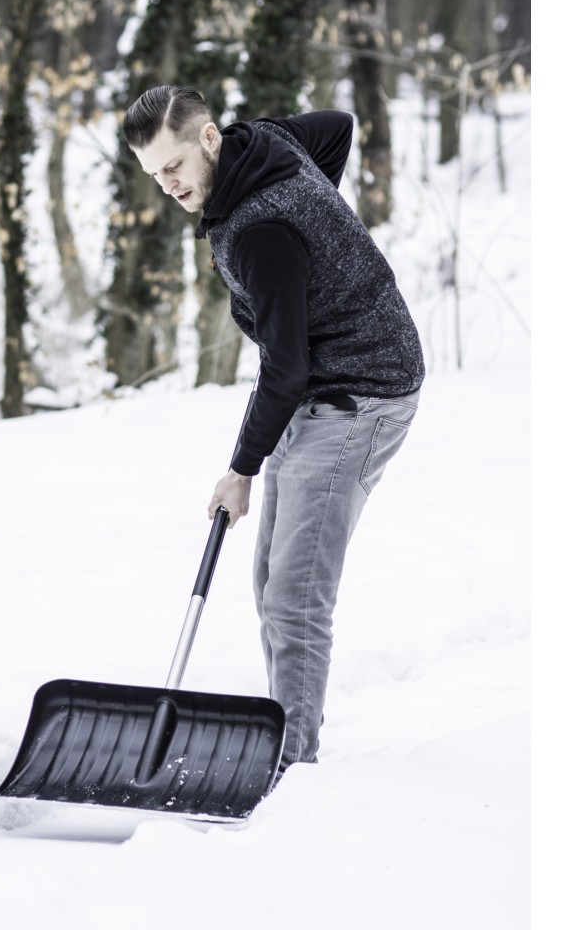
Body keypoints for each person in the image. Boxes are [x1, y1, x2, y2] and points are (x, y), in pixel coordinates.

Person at [123, 84, 425, 775]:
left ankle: (291, 768)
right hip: (319, 385)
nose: (168, 185)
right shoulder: (263, 144)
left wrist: (240, 470)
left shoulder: (262, 232)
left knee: (293, 595)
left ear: (209, 139)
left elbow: (283, 371)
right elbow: (336, 126)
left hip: (361, 392)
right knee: (269, 581)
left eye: (175, 165)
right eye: (154, 174)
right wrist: (324, 236)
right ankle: (286, 744)